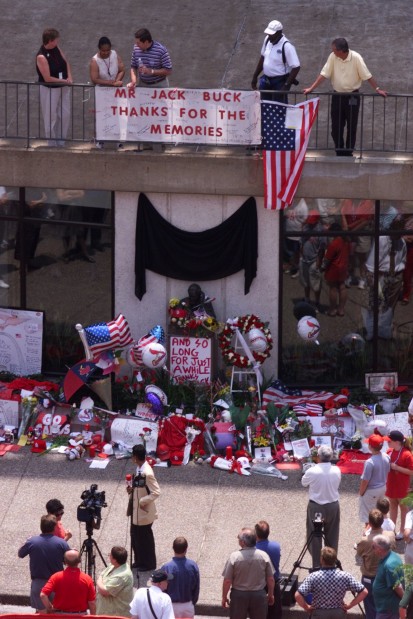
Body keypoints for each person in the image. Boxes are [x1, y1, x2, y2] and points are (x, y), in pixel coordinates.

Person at [303, 37, 387, 156]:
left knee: (351, 125)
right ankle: (340, 150)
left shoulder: (356, 58)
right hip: (337, 95)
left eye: (334, 49)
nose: (332, 51)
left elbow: (367, 75)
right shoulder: (333, 56)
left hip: (352, 96)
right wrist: (311, 88)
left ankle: (349, 151)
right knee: (336, 126)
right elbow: (324, 74)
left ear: (341, 51)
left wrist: (377, 89)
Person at [295, 546, 367, 618]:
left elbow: (298, 595)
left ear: (322, 559)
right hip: (338, 612)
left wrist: (307, 607)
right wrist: (350, 605)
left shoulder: (313, 576)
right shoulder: (345, 576)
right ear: (335, 560)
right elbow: (364, 592)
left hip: (319, 613)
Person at [18, 514, 70, 612]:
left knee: (41, 614)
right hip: (57, 584)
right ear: (54, 527)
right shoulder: (62, 543)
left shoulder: (32, 541)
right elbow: (69, 561)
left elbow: (20, 553)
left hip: (38, 583)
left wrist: (27, 540)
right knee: (57, 613)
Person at [301, 444, 341, 569]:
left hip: (316, 507)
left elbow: (303, 483)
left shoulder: (312, 470)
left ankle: (317, 565)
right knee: (332, 536)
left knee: (314, 536)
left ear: (318, 457)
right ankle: (330, 563)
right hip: (333, 506)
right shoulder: (337, 470)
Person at [222, 527, 275, 619]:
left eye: (239, 538)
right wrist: (270, 594)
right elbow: (270, 579)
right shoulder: (264, 556)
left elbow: (227, 581)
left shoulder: (234, 557)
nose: (238, 539)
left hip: (239, 595)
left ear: (243, 542)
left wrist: (224, 596)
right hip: (258, 595)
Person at [356, 509, 396, 619]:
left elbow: (359, 553)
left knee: (371, 610)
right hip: (386, 578)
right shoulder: (390, 536)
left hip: (369, 579)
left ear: (369, 522)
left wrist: (364, 534)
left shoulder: (364, 541)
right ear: (382, 521)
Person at [36, 28, 73, 147]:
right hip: (50, 90)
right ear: (50, 41)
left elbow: (65, 61)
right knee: (51, 117)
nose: (58, 41)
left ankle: (61, 142)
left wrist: (70, 77)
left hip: (63, 87)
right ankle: (51, 143)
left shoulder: (56, 48)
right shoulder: (41, 56)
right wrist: (64, 81)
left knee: (65, 114)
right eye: (56, 40)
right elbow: (47, 78)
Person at [127, 443, 161, 572]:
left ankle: (149, 564)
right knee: (136, 537)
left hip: (143, 512)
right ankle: (139, 560)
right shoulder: (139, 468)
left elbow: (156, 492)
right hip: (136, 511)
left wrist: (142, 501)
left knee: (145, 540)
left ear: (135, 457)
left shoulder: (147, 473)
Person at [251, 20, 300, 103]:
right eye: (268, 34)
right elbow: (263, 57)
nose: (269, 36)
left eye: (271, 34)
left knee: (279, 107)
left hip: (279, 82)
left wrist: (286, 86)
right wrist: (255, 76)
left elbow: (296, 67)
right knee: (263, 105)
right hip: (266, 80)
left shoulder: (287, 46)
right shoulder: (267, 40)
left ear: (279, 32)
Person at [90, 36, 125, 150]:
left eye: (107, 50)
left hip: (115, 91)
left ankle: (118, 140)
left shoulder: (115, 55)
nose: (105, 53)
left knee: (117, 115)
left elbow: (122, 70)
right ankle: (100, 140)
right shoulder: (95, 61)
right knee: (101, 116)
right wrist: (110, 83)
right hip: (102, 92)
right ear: (99, 49)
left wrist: (117, 80)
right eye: (103, 51)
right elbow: (94, 79)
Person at [40, 549, 96, 614]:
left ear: (65, 562)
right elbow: (92, 602)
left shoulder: (56, 576)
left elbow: (43, 595)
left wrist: (50, 608)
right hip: (80, 615)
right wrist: (93, 615)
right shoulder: (87, 579)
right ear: (79, 561)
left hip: (60, 614)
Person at [160, 536, 200, 618]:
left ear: (173, 548)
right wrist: (192, 602)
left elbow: (162, 589)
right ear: (186, 549)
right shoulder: (193, 566)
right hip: (188, 605)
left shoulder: (166, 567)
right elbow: (196, 588)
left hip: (172, 606)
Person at [385, 430, 413, 539]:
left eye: (389, 441)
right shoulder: (389, 451)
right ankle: (392, 530)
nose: (387, 442)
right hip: (391, 485)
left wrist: (397, 468)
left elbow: (411, 471)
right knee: (392, 507)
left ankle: (402, 530)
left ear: (397, 442)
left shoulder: (407, 454)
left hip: (402, 487)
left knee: (403, 509)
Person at [358, 434, 390, 527]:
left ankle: (369, 537)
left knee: (370, 517)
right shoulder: (386, 456)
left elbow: (365, 480)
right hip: (382, 487)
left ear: (370, 447)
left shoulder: (370, 462)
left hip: (371, 491)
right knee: (381, 513)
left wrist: (361, 492)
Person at [320, 222, 350, 317]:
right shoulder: (346, 241)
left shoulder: (333, 244)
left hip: (334, 269)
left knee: (333, 288)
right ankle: (341, 310)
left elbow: (327, 259)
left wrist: (322, 268)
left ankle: (332, 310)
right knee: (342, 287)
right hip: (343, 267)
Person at [372, 534, 404, 619]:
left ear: (379, 549)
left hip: (387, 610)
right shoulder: (392, 556)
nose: (372, 550)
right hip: (385, 607)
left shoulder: (389, 566)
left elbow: (398, 587)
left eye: (373, 547)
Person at [255, 521, 282, 619]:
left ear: (256, 534)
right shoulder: (276, 546)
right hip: (274, 584)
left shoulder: (254, 549)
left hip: (259, 586)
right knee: (275, 614)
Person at [96, 546, 134, 617]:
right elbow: (102, 574)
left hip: (116, 614)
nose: (109, 556)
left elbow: (104, 591)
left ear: (115, 560)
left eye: (110, 555)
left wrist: (98, 582)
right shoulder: (113, 566)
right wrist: (101, 582)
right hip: (107, 611)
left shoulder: (121, 576)